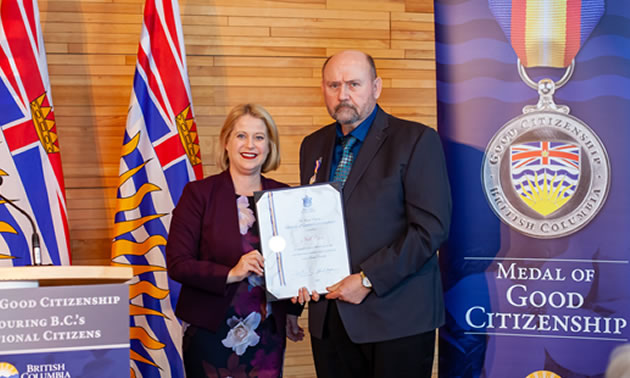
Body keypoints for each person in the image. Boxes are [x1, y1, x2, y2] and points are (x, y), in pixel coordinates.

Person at [296, 50, 452, 378]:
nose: (343, 95)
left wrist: (368, 279)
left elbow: (430, 229)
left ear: (376, 87)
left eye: (354, 84)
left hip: (397, 318)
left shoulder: (416, 140)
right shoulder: (312, 145)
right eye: (333, 85)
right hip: (331, 319)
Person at [166, 104, 304, 377]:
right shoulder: (198, 194)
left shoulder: (283, 195)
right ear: (226, 142)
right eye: (241, 136)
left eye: (259, 137)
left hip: (267, 335)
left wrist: (292, 311)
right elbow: (178, 264)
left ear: (269, 146)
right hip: (211, 333)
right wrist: (231, 272)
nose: (250, 144)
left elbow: (295, 262)